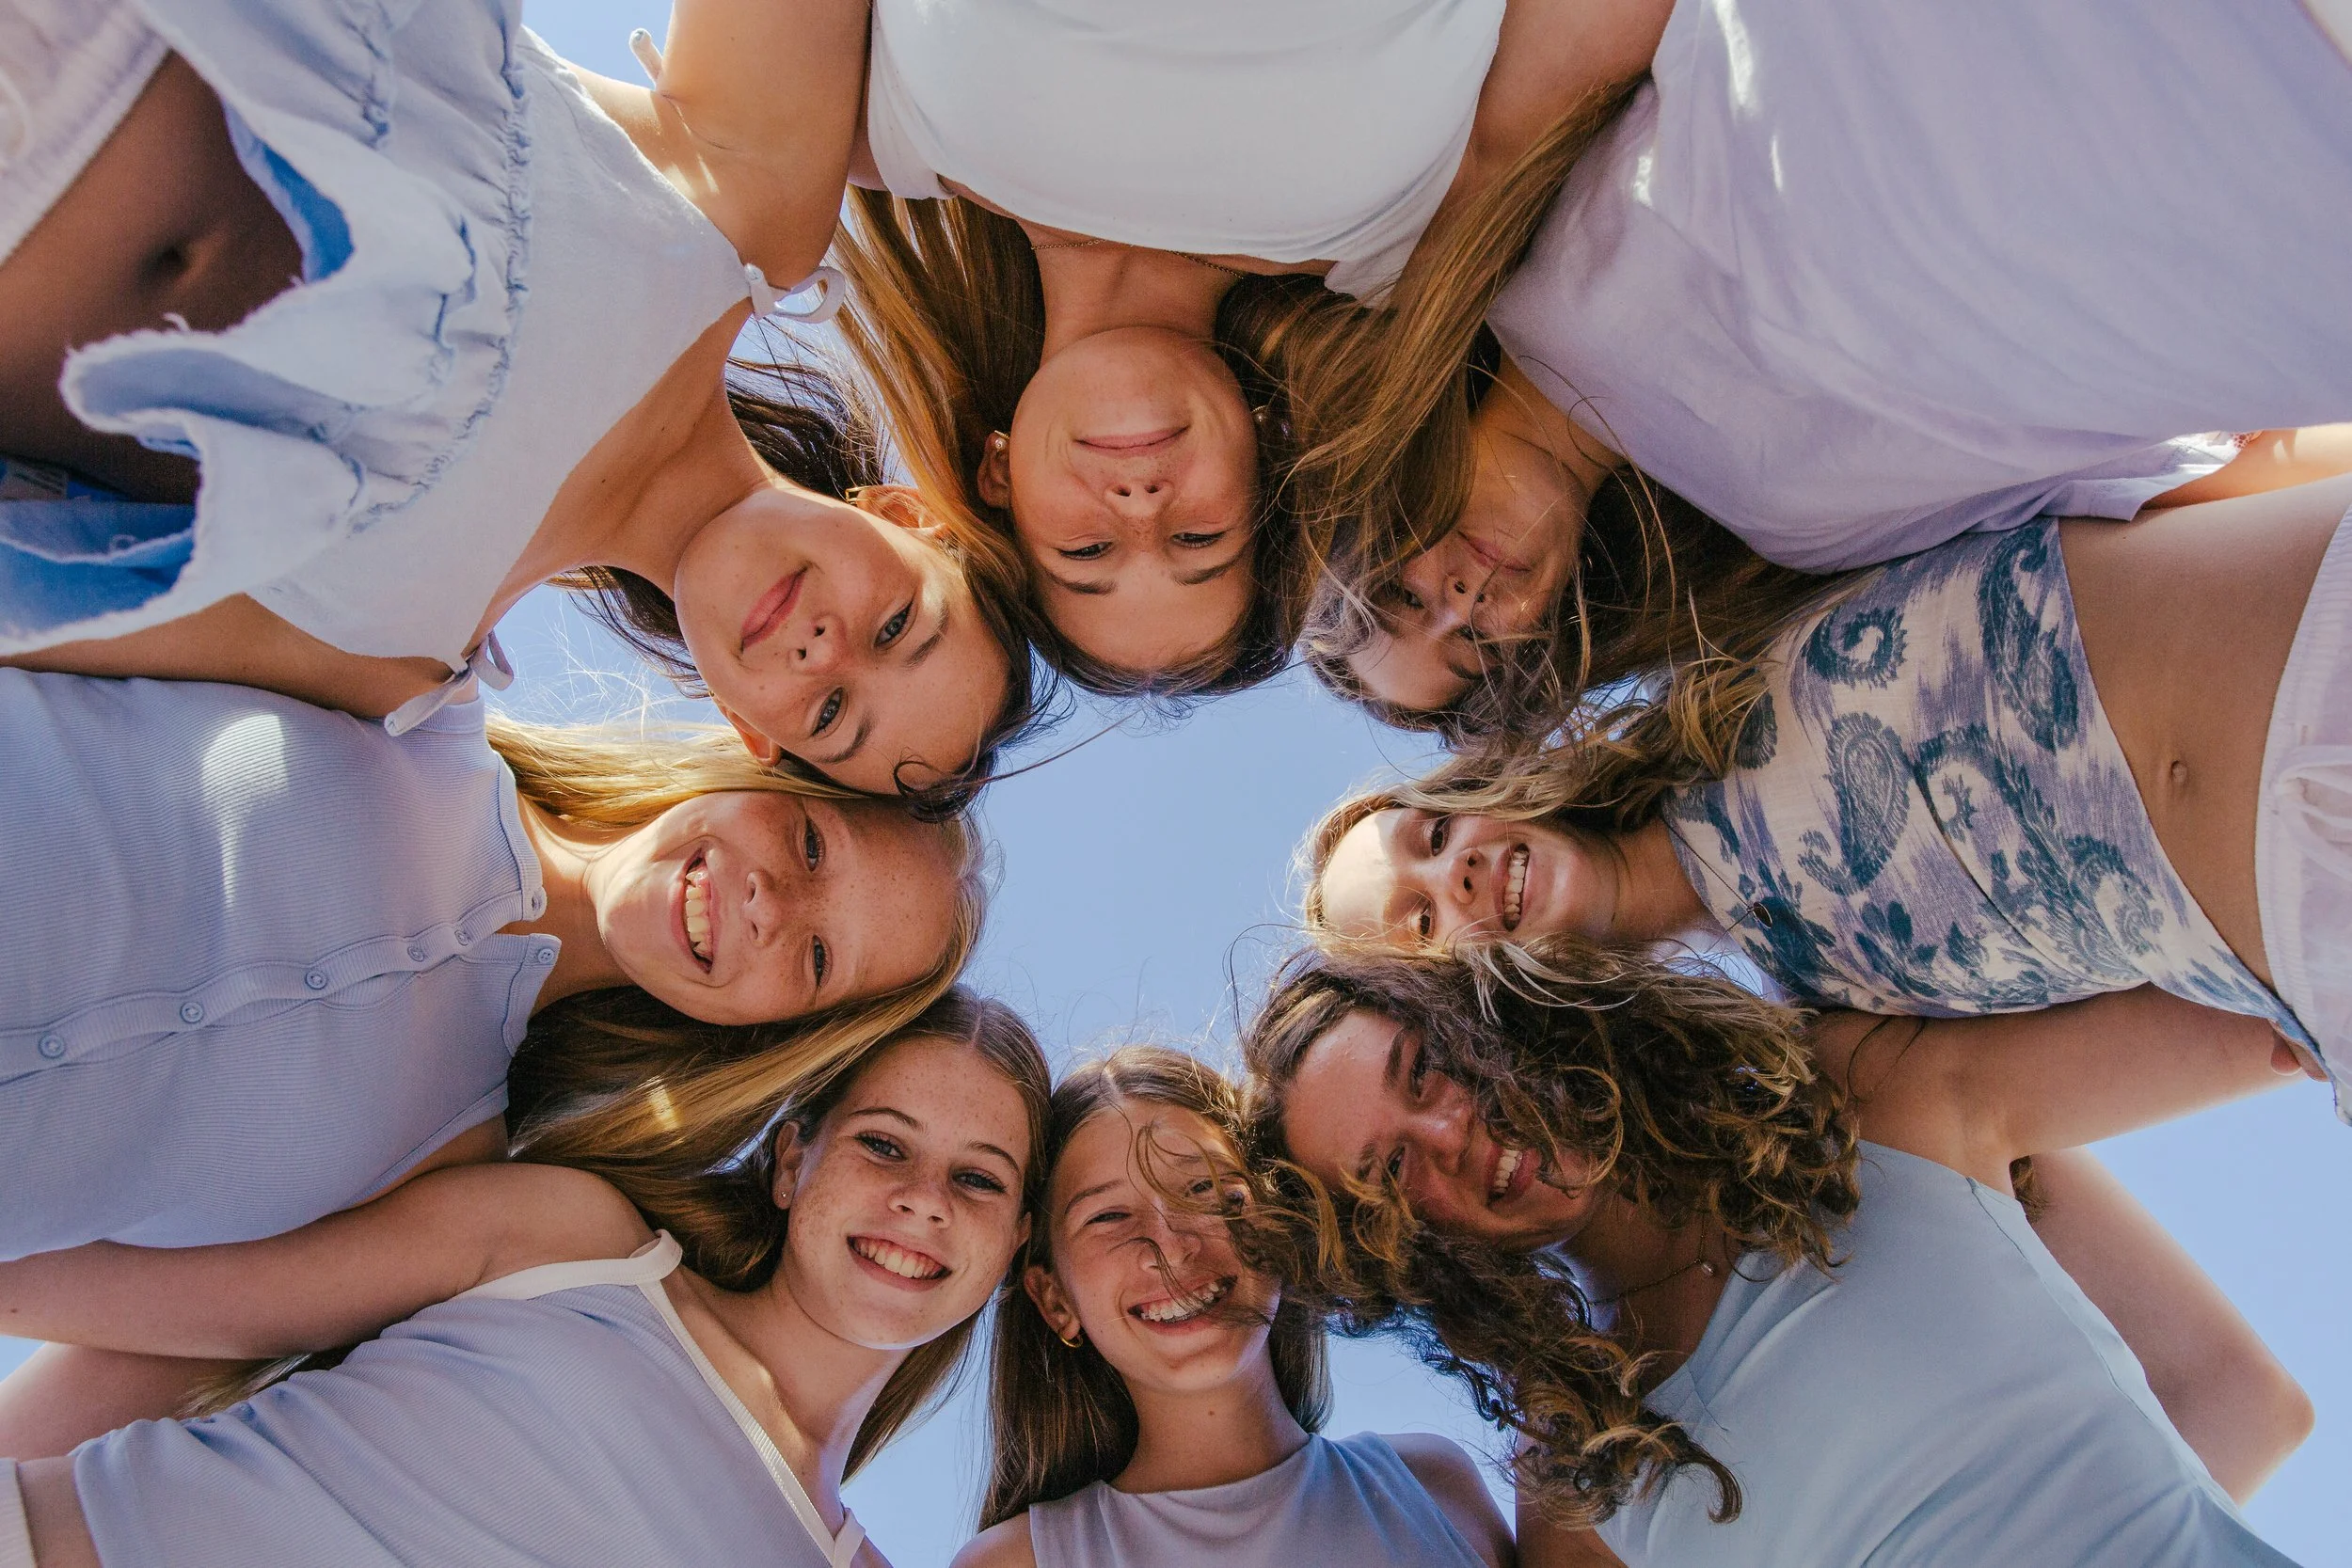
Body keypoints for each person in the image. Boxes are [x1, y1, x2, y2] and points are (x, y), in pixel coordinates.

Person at [0, 0, 1029, 798]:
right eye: (896, 625)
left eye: (832, 713)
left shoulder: (393, 660)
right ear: (903, 517)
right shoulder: (755, 210)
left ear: (750, 730)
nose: (824, 653)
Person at [1299, 0, 2352, 729]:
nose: (1463, 600)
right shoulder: (1793, 537)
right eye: (1476, 646)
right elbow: (2186, 482)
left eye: (1400, 588)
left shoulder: (1488, 229)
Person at [1303, 473, 2352, 1114]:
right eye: (1424, 921)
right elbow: (2221, 1040)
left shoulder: (1723, 633)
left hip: (2310, 617)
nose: (1460, 870)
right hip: (2306, 925)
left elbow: (2088, 482)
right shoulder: (1826, 1033)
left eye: (1431, 836)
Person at [1243, 944, 2312, 1565]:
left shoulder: (1848, 1097)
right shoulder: (1574, 1470)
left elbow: (2276, 1014)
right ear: (1405, 1250)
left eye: (1426, 1067)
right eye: (1386, 1172)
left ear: (1487, 1010)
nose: (1448, 1134)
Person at [0, 990, 1051, 1568]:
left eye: (976, 1178)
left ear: (1012, 1247)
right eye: (882, 1144)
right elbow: (182, 1297)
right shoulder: (576, 1242)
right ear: (791, 1160)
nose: (923, 1199)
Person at [0, 664, 985, 1269]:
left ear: (773, 1030)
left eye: (817, 957)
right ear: (757, 761)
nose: (773, 901)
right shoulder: (408, 692)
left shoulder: (439, 1166)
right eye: (811, 845)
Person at [833, 0, 1669, 691]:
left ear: (997, 471)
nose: (1142, 506)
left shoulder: (865, 132)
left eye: (1089, 551)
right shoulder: (1419, 237)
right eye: (1198, 540)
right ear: (1267, 452)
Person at [955, 1044, 1511, 1568]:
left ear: (1277, 1222)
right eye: (1108, 1217)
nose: (1171, 1248)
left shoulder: (1433, 1488)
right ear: (1054, 1300)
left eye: (1204, 1191)